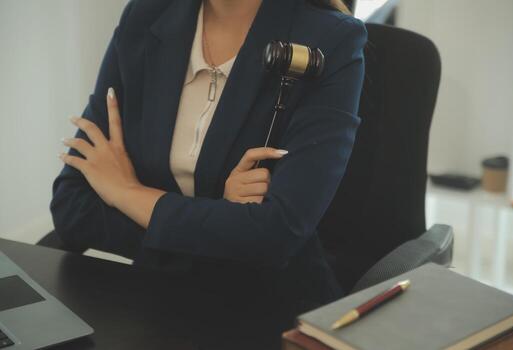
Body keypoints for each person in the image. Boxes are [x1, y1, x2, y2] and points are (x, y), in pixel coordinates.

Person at [50, 0, 366, 331]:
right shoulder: (146, 15)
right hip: (155, 302)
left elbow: (276, 233)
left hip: (269, 313)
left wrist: (126, 192)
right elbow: (72, 207)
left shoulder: (330, 39)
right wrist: (219, 222)